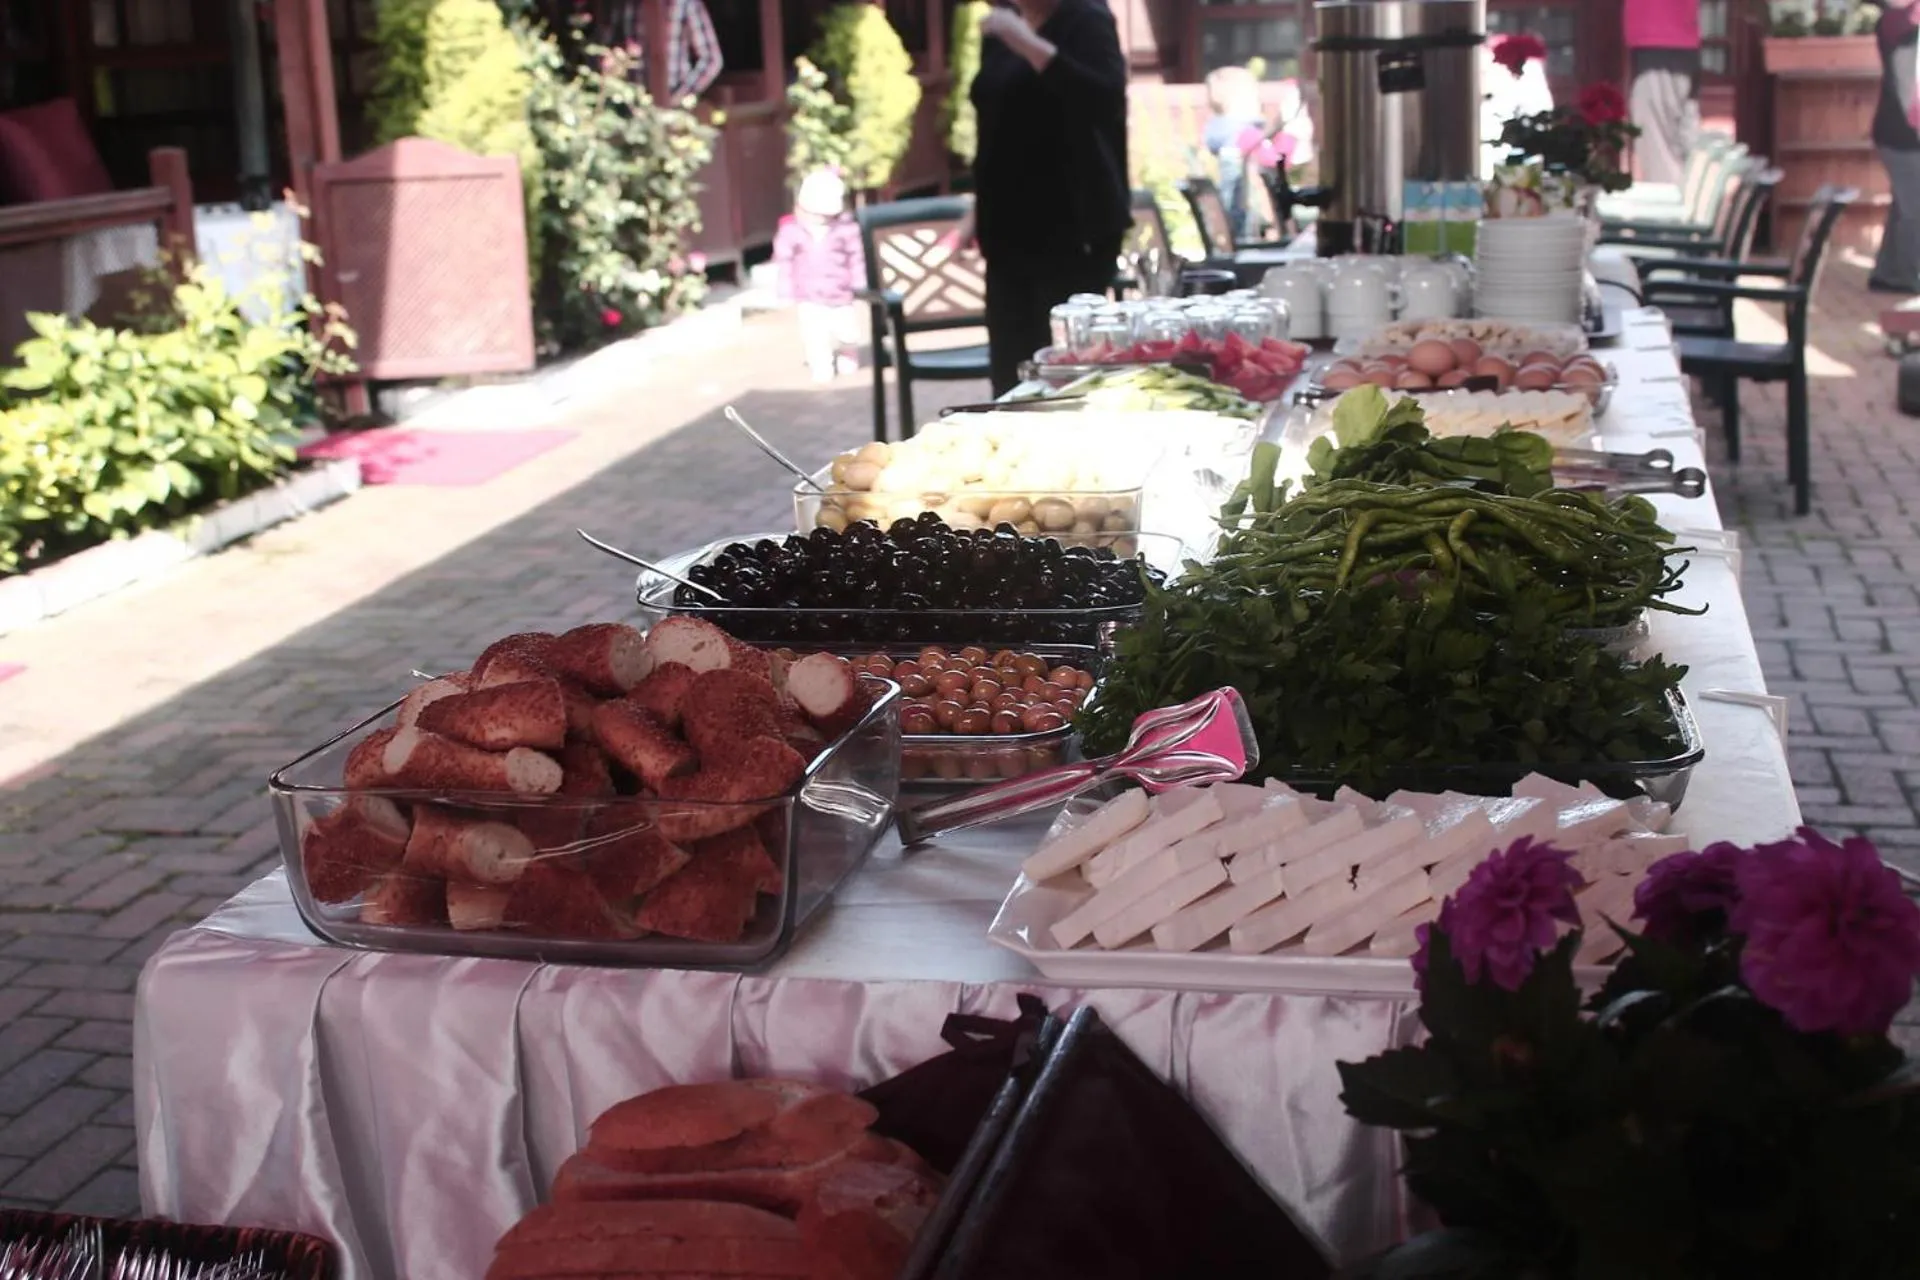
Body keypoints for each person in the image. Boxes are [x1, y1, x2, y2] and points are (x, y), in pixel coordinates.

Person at [945, 0, 1130, 395]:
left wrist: (1026, 42)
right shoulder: (1001, 26)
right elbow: (993, 129)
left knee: (1064, 372)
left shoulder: (1087, 19)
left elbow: (1103, 100)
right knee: (1012, 368)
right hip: (1007, 229)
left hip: (1072, 227)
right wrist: (974, 212)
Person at [773, 169, 866, 381]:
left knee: (847, 331)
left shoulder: (845, 230)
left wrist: (860, 282)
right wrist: (785, 290)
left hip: (841, 291)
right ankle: (821, 365)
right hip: (808, 294)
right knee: (814, 335)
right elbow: (785, 263)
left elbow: (856, 258)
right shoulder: (792, 231)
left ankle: (848, 352)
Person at [1623, 0, 1701, 185]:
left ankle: (1674, 212)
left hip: (1658, 38)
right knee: (1683, 150)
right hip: (1676, 38)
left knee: (1661, 157)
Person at [1872, 0, 1920, 294]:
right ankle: (1908, 275)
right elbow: (1904, 88)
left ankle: (1888, 273)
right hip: (1901, 136)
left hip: (1900, 134)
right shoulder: (1897, 27)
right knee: (1916, 208)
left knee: (1905, 206)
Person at [1203, 67, 1265, 243]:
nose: (1259, 102)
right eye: (1254, 96)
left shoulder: (1217, 131)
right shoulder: (1243, 133)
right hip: (1243, 225)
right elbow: (1271, 158)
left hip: (1228, 223)